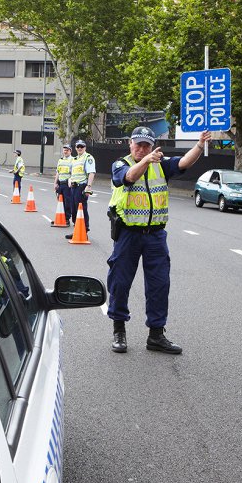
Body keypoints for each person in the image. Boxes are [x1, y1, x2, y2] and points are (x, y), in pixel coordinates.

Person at [106, 126, 211, 355]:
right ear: (130, 144)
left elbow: (183, 163)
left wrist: (200, 145)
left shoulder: (160, 165)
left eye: (147, 145)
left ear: (153, 146)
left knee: (159, 285)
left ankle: (156, 335)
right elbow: (128, 177)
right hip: (128, 235)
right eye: (139, 144)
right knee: (120, 283)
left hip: (155, 235)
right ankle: (119, 330)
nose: (143, 149)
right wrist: (146, 161)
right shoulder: (120, 164)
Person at [65, 139, 96, 239]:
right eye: (78, 146)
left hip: (81, 187)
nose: (79, 148)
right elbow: (71, 173)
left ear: (85, 148)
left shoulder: (88, 157)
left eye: (81, 146)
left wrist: (89, 186)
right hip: (73, 187)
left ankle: (84, 231)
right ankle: (76, 230)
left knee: (82, 209)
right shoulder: (74, 160)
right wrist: (70, 180)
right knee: (74, 210)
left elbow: (91, 172)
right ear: (75, 148)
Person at [53, 144, 74, 224]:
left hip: (67, 184)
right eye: (64, 150)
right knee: (60, 201)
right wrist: (55, 183)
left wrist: (70, 180)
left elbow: (73, 172)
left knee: (67, 202)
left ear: (70, 151)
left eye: (67, 150)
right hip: (60, 183)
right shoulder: (60, 160)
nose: (65, 151)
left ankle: (67, 218)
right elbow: (58, 172)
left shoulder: (73, 160)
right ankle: (60, 217)